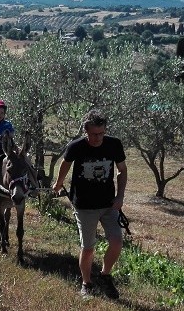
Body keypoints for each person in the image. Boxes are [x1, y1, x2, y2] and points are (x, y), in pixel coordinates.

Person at [52, 109, 128, 300]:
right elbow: (65, 164)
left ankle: (105, 275)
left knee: (117, 242)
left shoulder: (114, 144)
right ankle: (86, 283)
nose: (98, 138)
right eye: (94, 134)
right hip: (84, 206)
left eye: (101, 133)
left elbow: (122, 170)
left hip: (109, 204)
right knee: (88, 248)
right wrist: (58, 183)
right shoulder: (76, 146)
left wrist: (120, 197)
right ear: (86, 131)